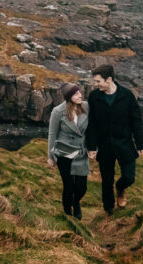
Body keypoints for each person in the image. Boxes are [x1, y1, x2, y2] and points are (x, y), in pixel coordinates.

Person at [86, 64, 143, 214]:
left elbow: (136, 121)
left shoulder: (127, 96)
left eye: (98, 81)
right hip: (104, 145)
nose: (96, 84)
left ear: (109, 79)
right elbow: (91, 123)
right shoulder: (94, 97)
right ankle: (108, 210)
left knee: (129, 177)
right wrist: (91, 147)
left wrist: (140, 144)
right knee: (106, 181)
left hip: (124, 144)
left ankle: (120, 188)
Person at [47, 82, 89, 219]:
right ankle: (67, 212)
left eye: (80, 92)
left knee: (82, 187)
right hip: (64, 153)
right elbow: (52, 134)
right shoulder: (58, 111)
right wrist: (51, 157)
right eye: (76, 94)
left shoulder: (86, 107)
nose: (80, 95)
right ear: (69, 96)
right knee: (69, 186)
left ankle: (75, 202)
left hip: (81, 152)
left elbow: (93, 128)